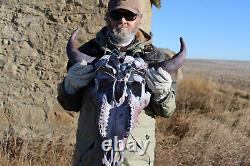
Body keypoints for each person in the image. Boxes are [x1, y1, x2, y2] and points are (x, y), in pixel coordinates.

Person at [57, 0, 176, 165]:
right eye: (116, 14)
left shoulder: (156, 57)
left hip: (136, 159)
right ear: (107, 17)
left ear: (139, 19)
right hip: (91, 157)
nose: (123, 20)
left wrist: (163, 94)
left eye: (130, 15)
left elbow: (167, 111)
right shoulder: (87, 52)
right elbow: (69, 104)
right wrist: (69, 88)